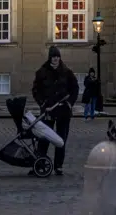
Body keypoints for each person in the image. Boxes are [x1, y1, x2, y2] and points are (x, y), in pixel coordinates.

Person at [31, 46, 79, 175]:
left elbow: (75, 89)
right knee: (44, 138)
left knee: (61, 140)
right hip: (48, 111)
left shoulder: (67, 72)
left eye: (58, 56)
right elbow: (36, 91)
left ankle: (59, 166)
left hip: (63, 111)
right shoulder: (41, 72)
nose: (56, 59)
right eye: (54, 57)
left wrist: (69, 103)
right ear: (50, 58)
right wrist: (42, 104)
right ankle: (40, 163)